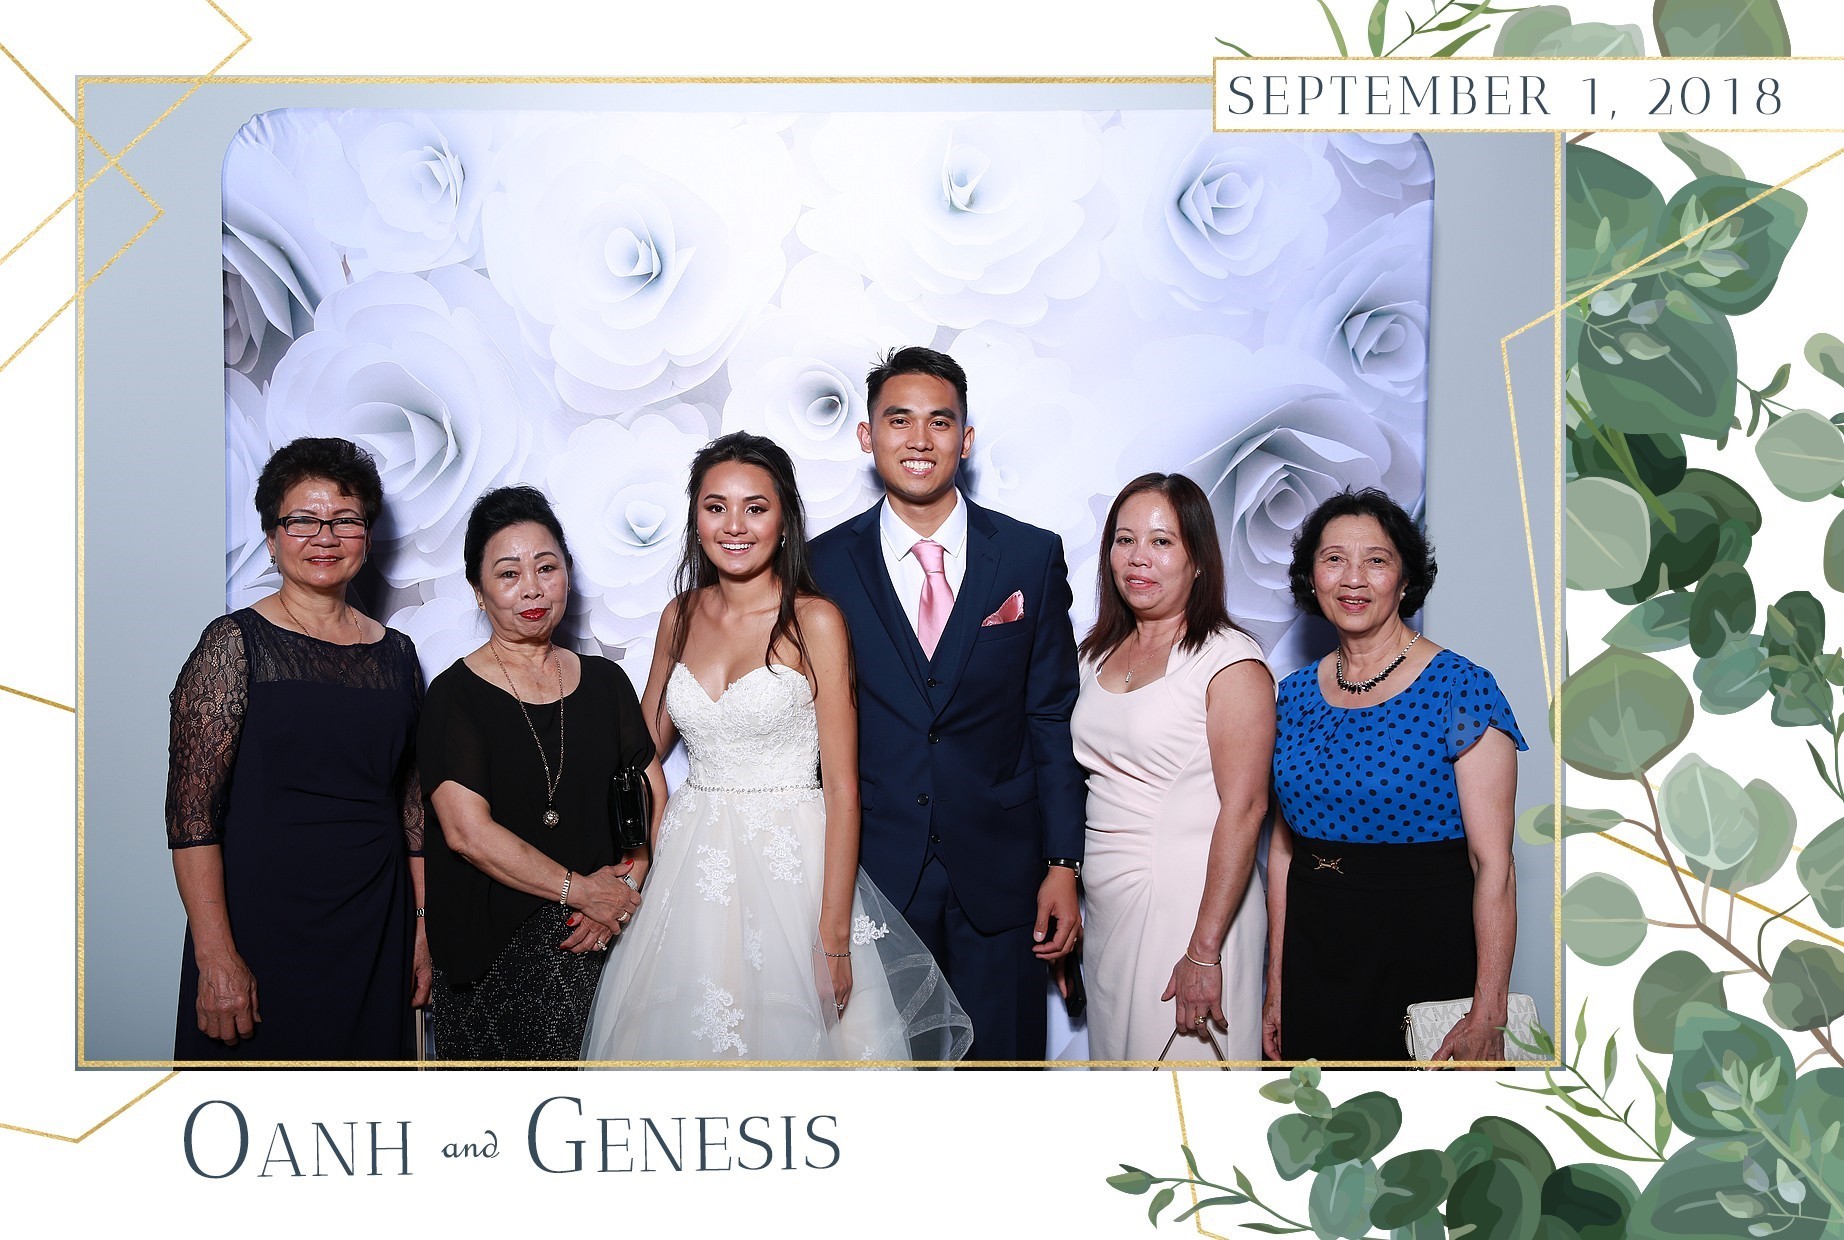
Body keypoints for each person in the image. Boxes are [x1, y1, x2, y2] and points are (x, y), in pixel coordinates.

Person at [582, 432, 970, 1061]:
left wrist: (833, 936)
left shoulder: (815, 620)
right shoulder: (680, 616)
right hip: (690, 860)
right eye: (716, 507)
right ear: (696, 519)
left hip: (792, 863)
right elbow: (640, 750)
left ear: (785, 519)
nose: (734, 526)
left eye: (755, 508)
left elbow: (842, 788)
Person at [808, 346, 1086, 1062]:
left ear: (966, 439)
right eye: (898, 420)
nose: (919, 439)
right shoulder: (820, 565)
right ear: (867, 436)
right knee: (891, 1091)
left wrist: (1063, 862)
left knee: (1003, 1079)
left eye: (939, 421)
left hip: (1005, 878)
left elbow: (1051, 717)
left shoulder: (1028, 556)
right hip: (877, 875)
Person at [167, 436, 425, 1060]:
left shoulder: (398, 655)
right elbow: (191, 817)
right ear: (271, 536)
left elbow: (413, 809)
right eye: (303, 520)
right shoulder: (232, 645)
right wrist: (215, 954)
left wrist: (424, 928)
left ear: (367, 536)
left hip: (375, 920)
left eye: (345, 520)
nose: (324, 537)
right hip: (258, 923)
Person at [1264, 488, 1524, 1063]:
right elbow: (1283, 852)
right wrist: (1275, 987)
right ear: (1312, 577)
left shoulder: (1462, 687)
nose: (1353, 578)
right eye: (1334, 559)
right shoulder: (1293, 695)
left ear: (1405, 580)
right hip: (1314, 956)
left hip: (1424, 955)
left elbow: (1495, 866)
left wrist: (1488, 1012)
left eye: (1376, 560)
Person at [419, 486, 665, 1061]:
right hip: (493, 957)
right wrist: (582, 891)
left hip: (600, 943)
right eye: (508, 573)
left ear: (567, 577)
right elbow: (467, 833)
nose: (531, 588)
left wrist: (623, 891)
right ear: (478, 591)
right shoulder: (454, 695)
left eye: (546, 567)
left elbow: (651, 793)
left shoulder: (605, 682)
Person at [1072, 474, 1273, 1063]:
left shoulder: (1229, 662)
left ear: (1198, 559)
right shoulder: (1095, 655)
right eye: (1125, 540)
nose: (1139, 558)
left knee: (1185, 1095)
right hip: (1108, 909)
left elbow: (1247, 807)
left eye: (1162, 542)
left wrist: (1205, 950)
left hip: (1192, 908)